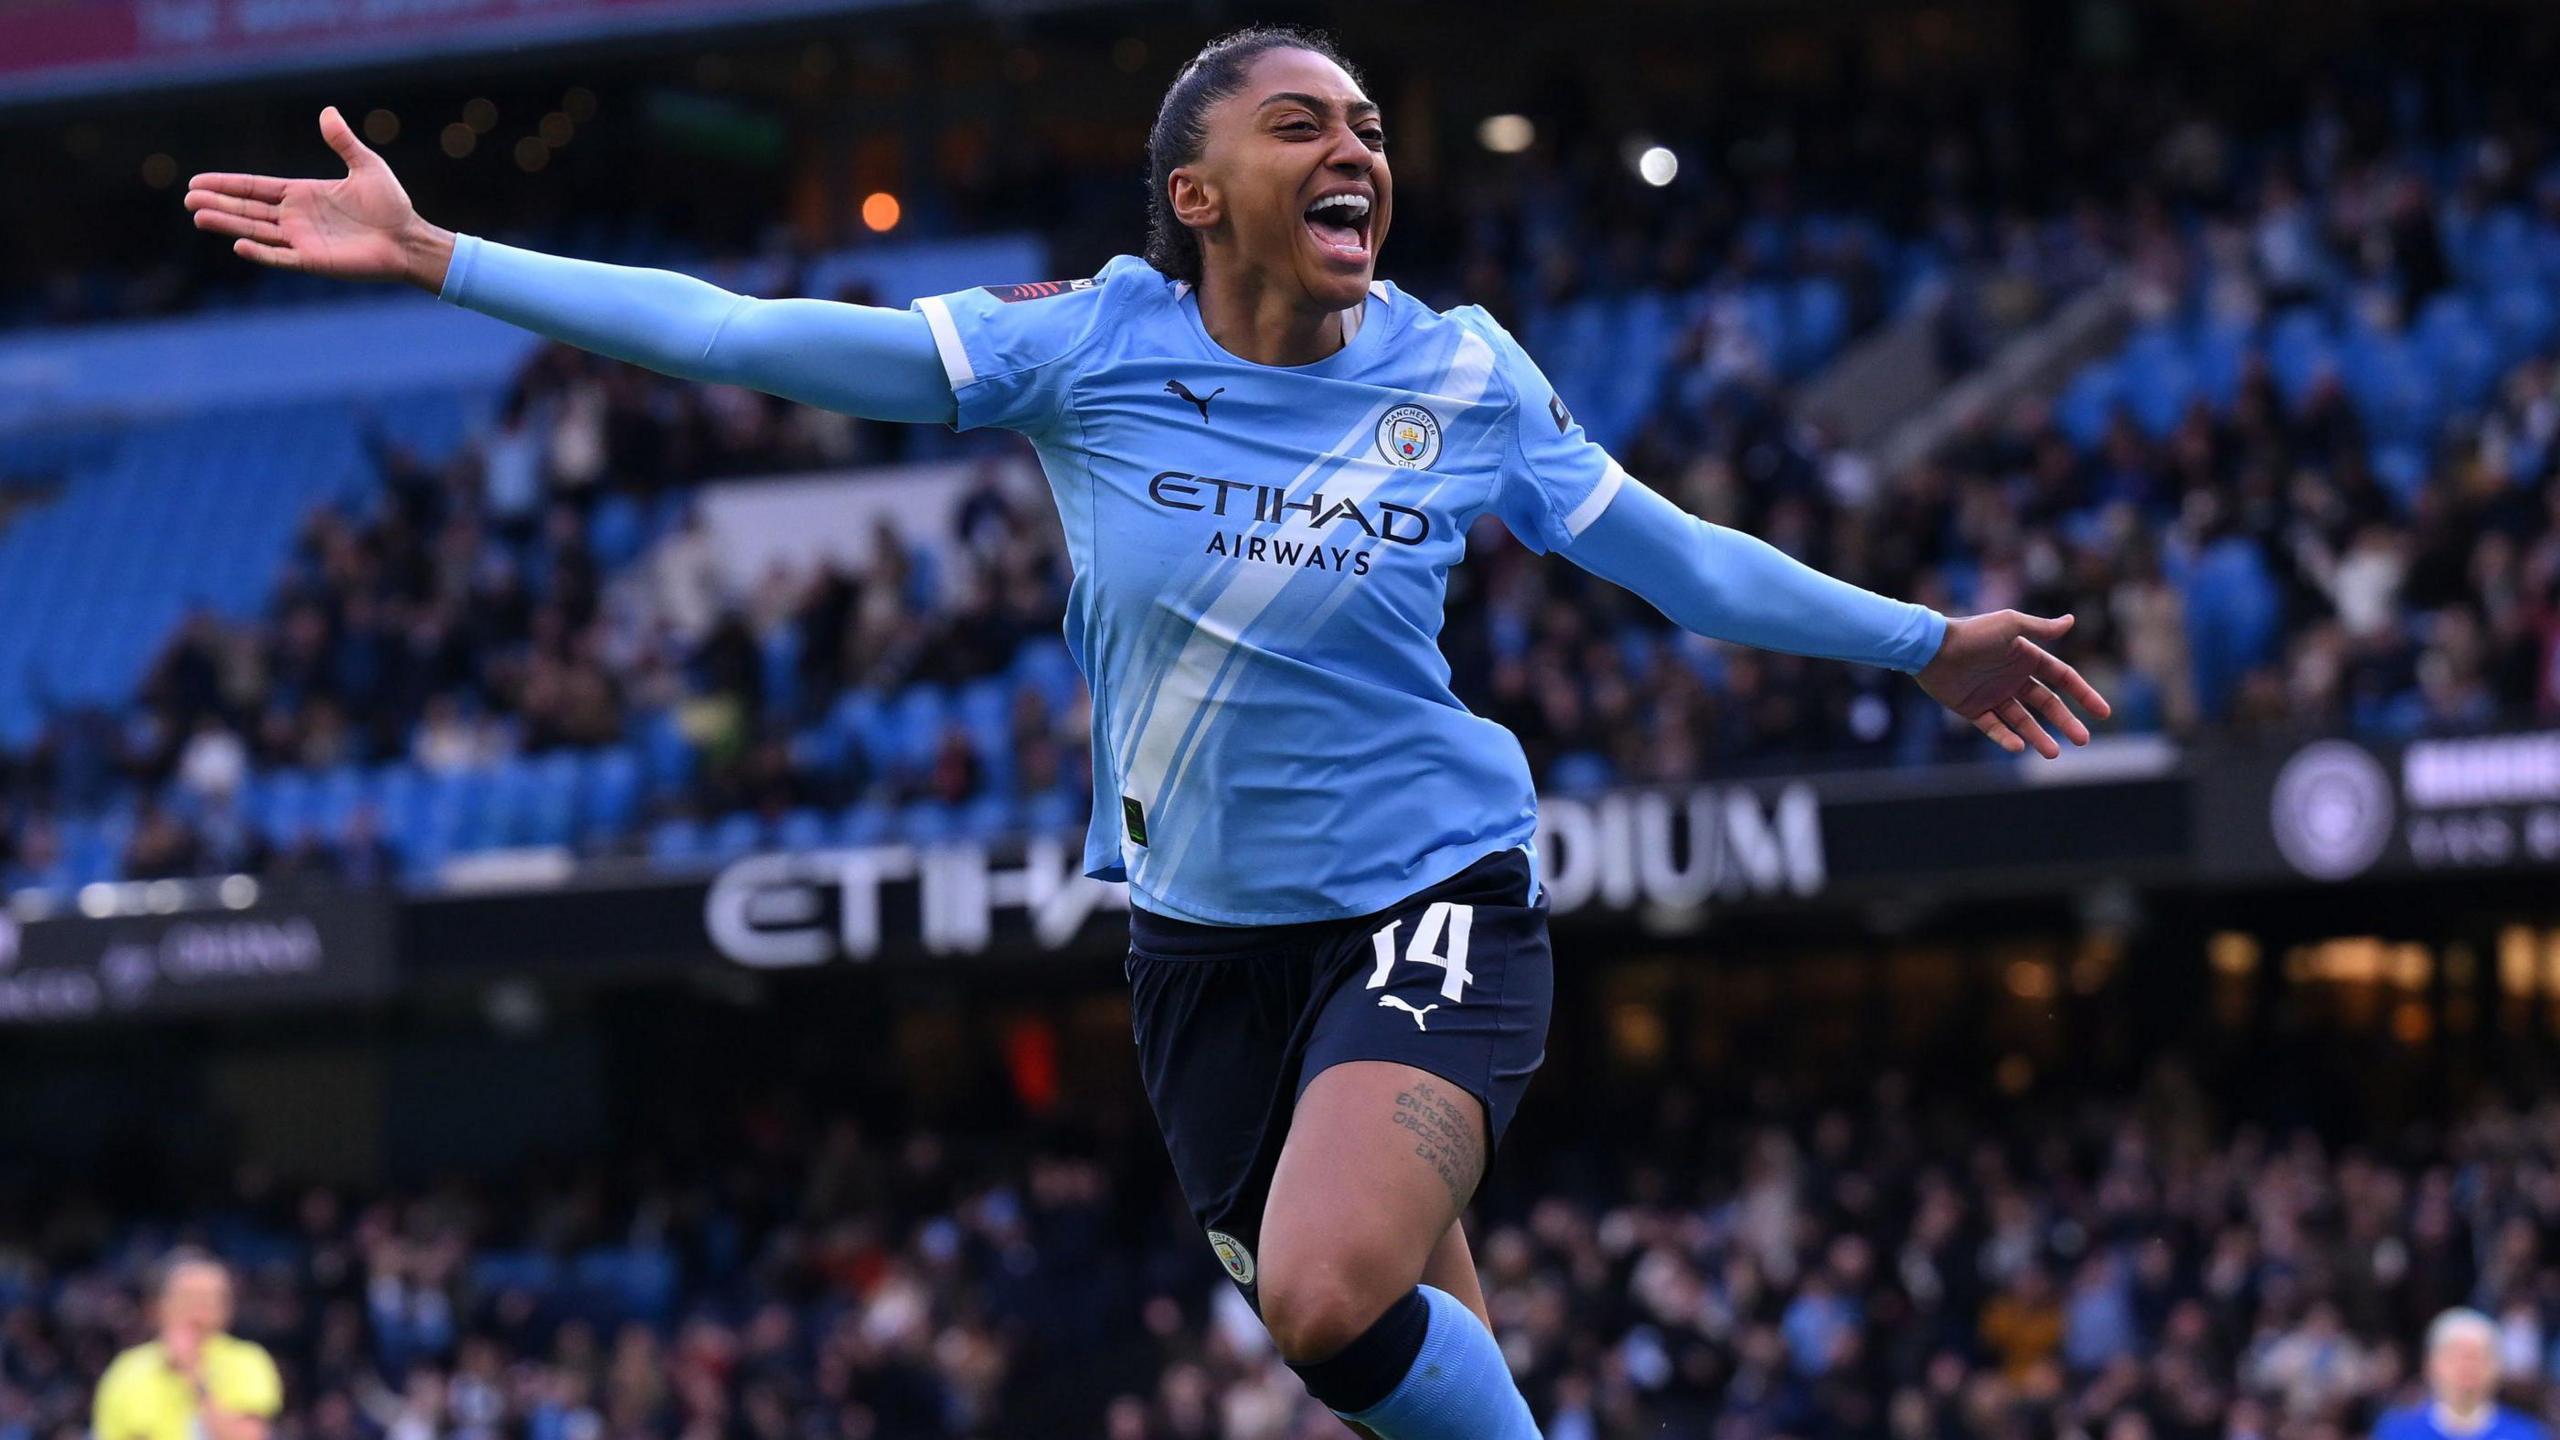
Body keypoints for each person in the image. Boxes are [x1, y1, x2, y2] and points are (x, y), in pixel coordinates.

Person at [183, 27, 2108, 1437]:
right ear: (1197, 194)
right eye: (1303, 123)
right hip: (1195, 944)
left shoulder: (1466, 372)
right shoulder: (1084, 347)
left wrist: (1920, 638)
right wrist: (446, 258)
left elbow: (1675, 560)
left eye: (1368, 124)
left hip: (1429, 892)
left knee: (1327, 1290)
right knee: (1409, 1347)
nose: (1356, 145)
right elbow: (739, 334)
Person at [93, 1249, 283, 1440]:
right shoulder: (127, 1370)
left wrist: (194, 1375)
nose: (199, 1310)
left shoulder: (247, 1361)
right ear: (159, 1306)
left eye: (212, 1299)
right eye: (188, 1297)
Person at [2373, 1309, 2550, 1440]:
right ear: (2430, 1366)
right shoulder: (2398, 1432)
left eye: (2477, 1357)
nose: (2466, 1367)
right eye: (2455, 1356)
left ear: (2497, 1368)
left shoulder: (2528, 1434)